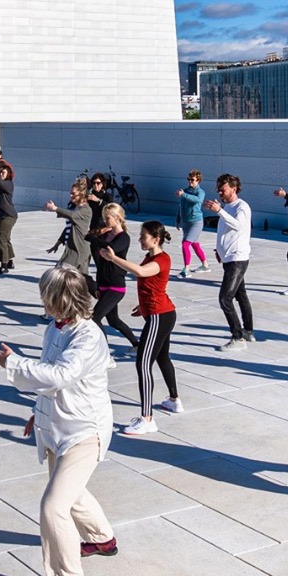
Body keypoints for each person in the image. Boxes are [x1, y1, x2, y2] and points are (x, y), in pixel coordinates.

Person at [0, 266, 117, 576]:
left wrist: (13, 362)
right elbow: (51, 379)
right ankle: (101, 538)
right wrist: (40, 413)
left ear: (60, 299)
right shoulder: (54, 327)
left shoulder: (88, 336)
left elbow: (63, 374)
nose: (42, 301)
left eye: (46, 296)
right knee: (70, 492)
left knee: (53, 507)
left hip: (84, 431)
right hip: (58, 426)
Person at [103, 220, 181, 434]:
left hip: (159, 316)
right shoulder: (151, 257)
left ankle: (147, 419)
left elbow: (139, 272)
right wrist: (143, 306)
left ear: (156, 239)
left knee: (143, 363)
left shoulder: (161, 260)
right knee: (163, 358)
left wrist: (114, 258)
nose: (140, 240)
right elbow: (153, 286)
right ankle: (174, 400)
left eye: (143, 237)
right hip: (159, 313)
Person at [204, 173, 257, 350]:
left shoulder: (242, 207)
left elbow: (238, 225)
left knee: (225, 299)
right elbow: (226, 232)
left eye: (223, 189)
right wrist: (219, 251)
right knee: (241, 295)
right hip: (229, 258)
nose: (220, 192)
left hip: (238, 258)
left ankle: (238, 338)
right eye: (218, 189)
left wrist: (219, 211)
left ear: (233, 189)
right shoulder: (227, 207)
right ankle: (248, 331)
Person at [87, 202, 140, 355]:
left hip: (116, 286)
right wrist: (97, 287)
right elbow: (97, 257)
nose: (105, 221)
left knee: (95, 317)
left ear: (117, 218)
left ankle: (104, 353)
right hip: (103, 283)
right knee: (113, 320)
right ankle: (137, 344)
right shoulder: (105, 235)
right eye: (104, 217)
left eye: (108, 217)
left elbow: (111, 249)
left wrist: (94, 238)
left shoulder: (123, 238)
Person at [43, 179, 92, 270]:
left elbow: (72, 215)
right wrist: (57, 244)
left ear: (81, 194)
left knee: (62, 273)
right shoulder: (77, 208)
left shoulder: (86, 210)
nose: (70, 195)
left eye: (73, 193)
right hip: (72, 249)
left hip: (79, 249)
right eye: (70, 193)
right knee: (75, 278)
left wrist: (55, 208)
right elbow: (68, 229)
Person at [175, 170, 208, 278]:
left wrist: (184, 195)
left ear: (198, 180)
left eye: (192, 180)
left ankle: (186, 269)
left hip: (196, 222)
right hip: (186, 222)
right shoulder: (185, 191)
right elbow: (181, 206)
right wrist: (178, 219)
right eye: (188, 179)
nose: (190, 182)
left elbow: (197, 200)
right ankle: (205, 265)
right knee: (194, 244)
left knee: (185, 244)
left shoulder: (200, 192)